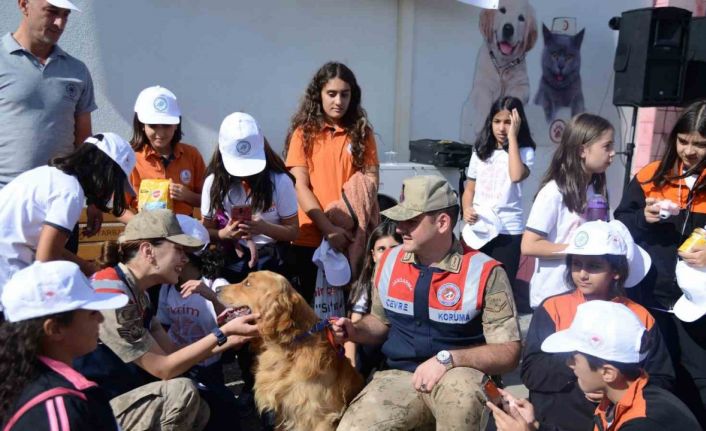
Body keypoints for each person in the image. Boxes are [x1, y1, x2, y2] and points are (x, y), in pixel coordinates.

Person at [332, 175, 522, 430]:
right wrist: (354, 331)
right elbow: (380, 323)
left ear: (442, 222)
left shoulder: (484, 271)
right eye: (400, 221)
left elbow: (509, 352)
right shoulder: (389, 261)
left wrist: (448, 359)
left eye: (411, 221)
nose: (399, 229)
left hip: (461, 375)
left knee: (461, 405)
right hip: (400, 376)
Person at [74, 209, 260, 431]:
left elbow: (173, 355)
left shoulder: (136, 290)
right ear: (148, 251)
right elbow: (164, 369)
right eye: (178, 250)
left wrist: (231, 338)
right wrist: (223, 333)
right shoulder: (113, 296)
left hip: (112, 398)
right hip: (88, 414)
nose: (185, 259)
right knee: (181, 392)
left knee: (215, 402)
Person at [521, 220, 674, 431]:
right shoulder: (552, 307)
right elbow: (532, 371)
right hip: (556, 421)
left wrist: (616, 389)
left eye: (593, 266)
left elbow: (661, 378)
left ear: (616, 271)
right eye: (576, 264)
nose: (582, 274)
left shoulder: (639, 316)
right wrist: (585, 374)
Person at [615, 100, 706, 426]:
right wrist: (644, 217)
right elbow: (621, 224)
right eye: (683, 141)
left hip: (697, 310)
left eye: (700, 144)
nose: (690, 151)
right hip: (650, 300)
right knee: (652, 382)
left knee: (697, 387)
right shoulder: (651, 175)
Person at [489, 301, 701, 431]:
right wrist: (535, 426)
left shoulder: (647, 422)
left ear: (608, 373)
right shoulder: (618, 401)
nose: (568, 363)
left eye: (574, 357)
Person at [0, 132, 135, 302]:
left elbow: (48, 245)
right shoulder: (70, 193)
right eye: (115, 183)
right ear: (107, 172)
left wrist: (87, 267)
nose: (111, 192)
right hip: (7, 279)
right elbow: (46, 262)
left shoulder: (50, 175)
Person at [284, 61, 379, 303]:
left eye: (344, 95)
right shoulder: (303, 134)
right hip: (309, 239)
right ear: (319, 95)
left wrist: (343, 229)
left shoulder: (362, 133)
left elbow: (370, 184)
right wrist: (328, 229)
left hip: (350, 238)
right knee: (309, 314)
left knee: (346, 316)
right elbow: (299, 186)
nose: (338, 101)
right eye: (331, 94)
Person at [0, 260, 127, 430]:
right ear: (55, 329)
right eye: (92, 313)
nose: (101, 319)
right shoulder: (61, 404)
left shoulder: (17, 378)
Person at [522, 113, 615, 308]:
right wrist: (577, 250)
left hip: (584, 298)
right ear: (583, 150)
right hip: (553, 297)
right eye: (607, 146)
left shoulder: (595, 191)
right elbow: (529, 245)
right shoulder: (553, 192)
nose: (613, 153)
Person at [0, 0, 96, 189]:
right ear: (23, 5)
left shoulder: (77, 71)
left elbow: (84, 142)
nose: (59, 23)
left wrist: (93, 195)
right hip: (6, 199)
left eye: (65, 15)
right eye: (52, 11)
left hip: (60, 200)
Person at [156, 215, 240, 430]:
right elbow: (163, 327)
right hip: (179, 365)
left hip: (208, 367)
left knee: (225, 414)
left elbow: (236, 332)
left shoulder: (216, 284)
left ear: (185, 256)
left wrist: (211, 297)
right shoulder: (167, 288)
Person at [202, 111, 298, 281]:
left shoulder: (280, 181)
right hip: (231, 261)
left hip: (271, 261)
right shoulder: (213, 183)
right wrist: (224, 234)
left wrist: (264, 227)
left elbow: (293, 231)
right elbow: (205, 230)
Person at [462, 96, 536, 287]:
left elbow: (516, 175)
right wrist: (466, 209)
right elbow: (469, 188)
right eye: (497, 121)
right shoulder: (480, 150)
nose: (502, 128)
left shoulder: (525, 150)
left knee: (501, 288)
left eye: (508, 122)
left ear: (518, 123)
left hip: (508, 230)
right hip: (479, 228)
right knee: (472, 285)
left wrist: (512, 139)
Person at [123, 86, 207, 220]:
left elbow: (210, 202)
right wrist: (140, 226)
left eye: (167, 125)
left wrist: (188, 196)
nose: (160, 134)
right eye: (153, 125)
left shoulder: (192, 155)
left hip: (185, 232)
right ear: (142, 125)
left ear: (176, 125)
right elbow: (119, 207)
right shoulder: (129, 158)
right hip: (146, 232)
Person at [344, 219, 401, 374]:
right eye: (381, 249)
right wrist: (351, 366)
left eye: (394, 248)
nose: (388, 254)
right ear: (373, 255)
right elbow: (354, 324)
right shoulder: (366, 284)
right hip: (372, 348)